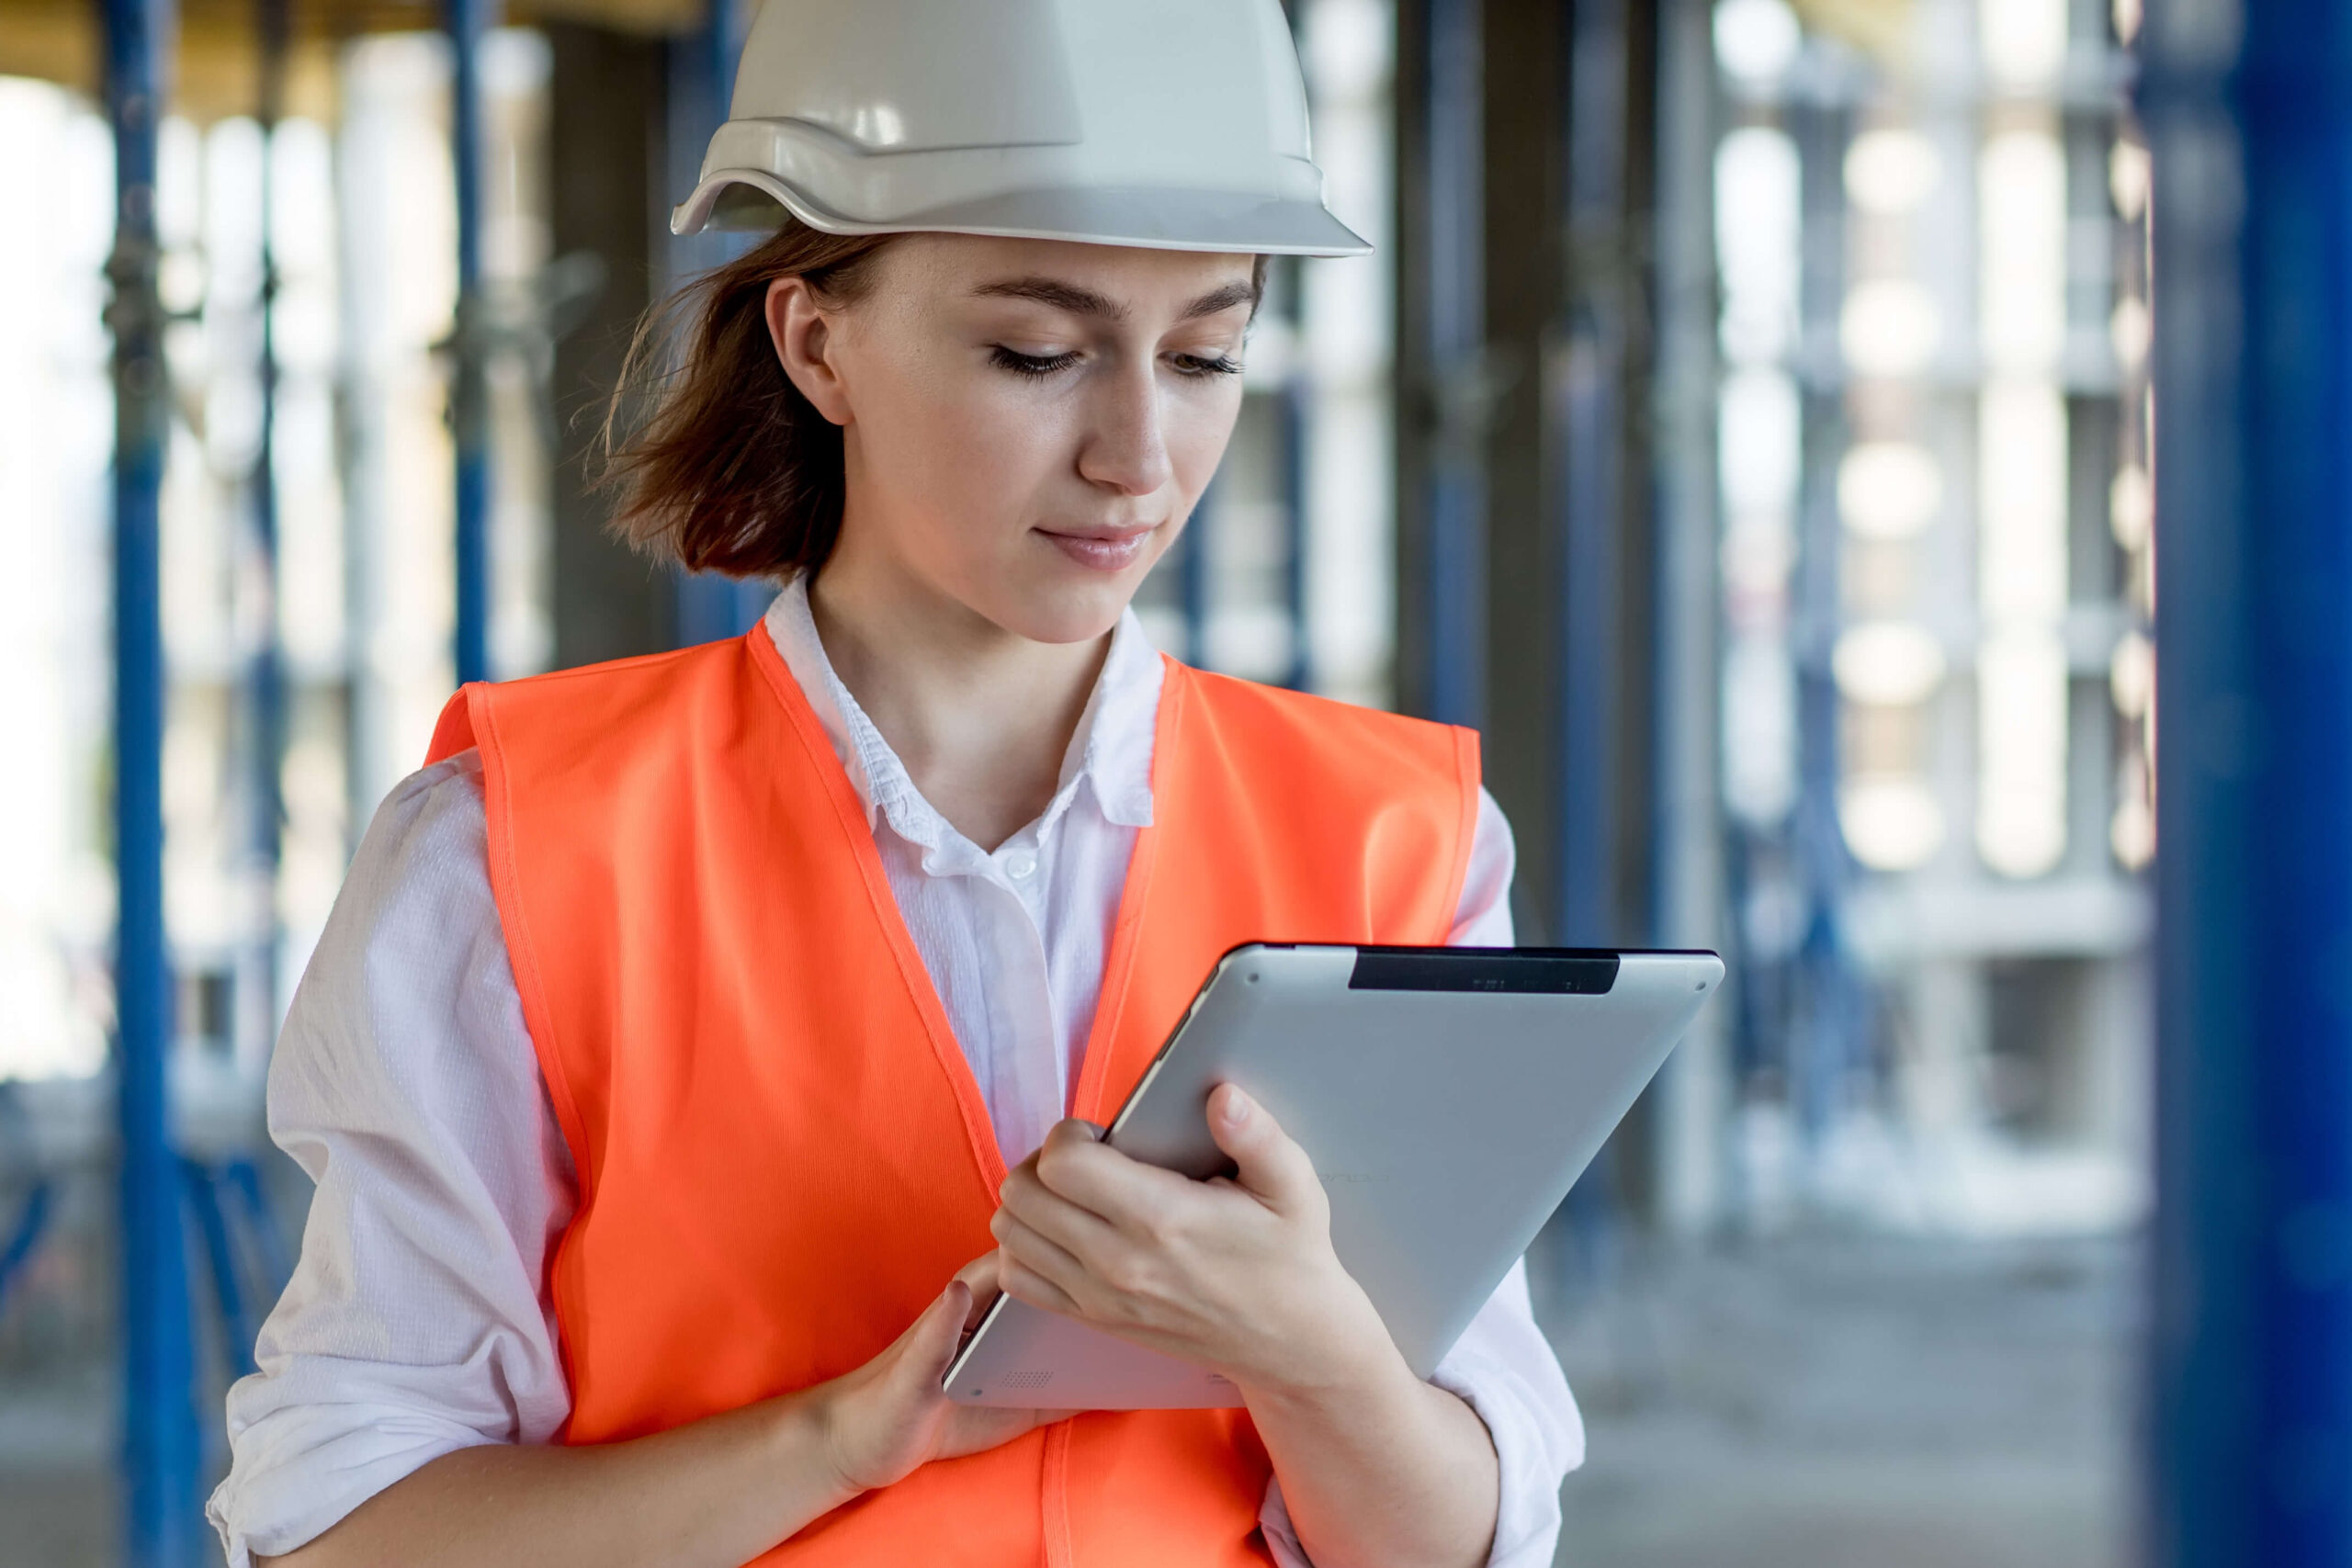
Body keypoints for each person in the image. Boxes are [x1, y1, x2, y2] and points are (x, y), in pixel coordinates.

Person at [207, 3, 1583, 1564]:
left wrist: (1310, 1351)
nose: (1140, 453)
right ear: (815, 341)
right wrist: (837, 1441)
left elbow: (1464, 1542)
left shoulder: (1401, 841)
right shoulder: (516, 851)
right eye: (1039, 353)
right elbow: (344, 1528)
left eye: (1206, 352)